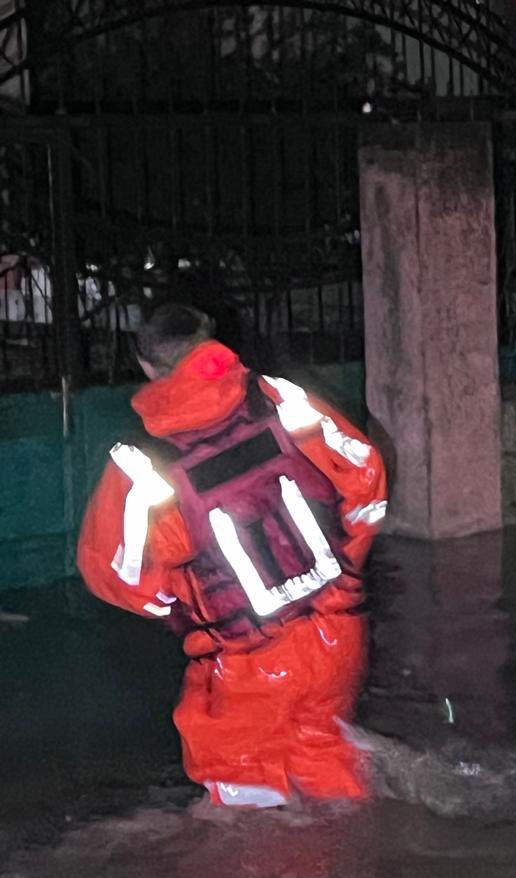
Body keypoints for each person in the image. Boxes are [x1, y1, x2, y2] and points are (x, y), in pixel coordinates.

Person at [77, 303, 387, 809]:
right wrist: (336, 573)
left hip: (245, 660)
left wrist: (189, 605)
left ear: (145, 364)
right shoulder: (282, 399)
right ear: (212, 343)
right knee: (330, 763)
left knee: (244, 809)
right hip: (337, 634)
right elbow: (366, 486)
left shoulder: (139, 462)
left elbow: (126, 581)